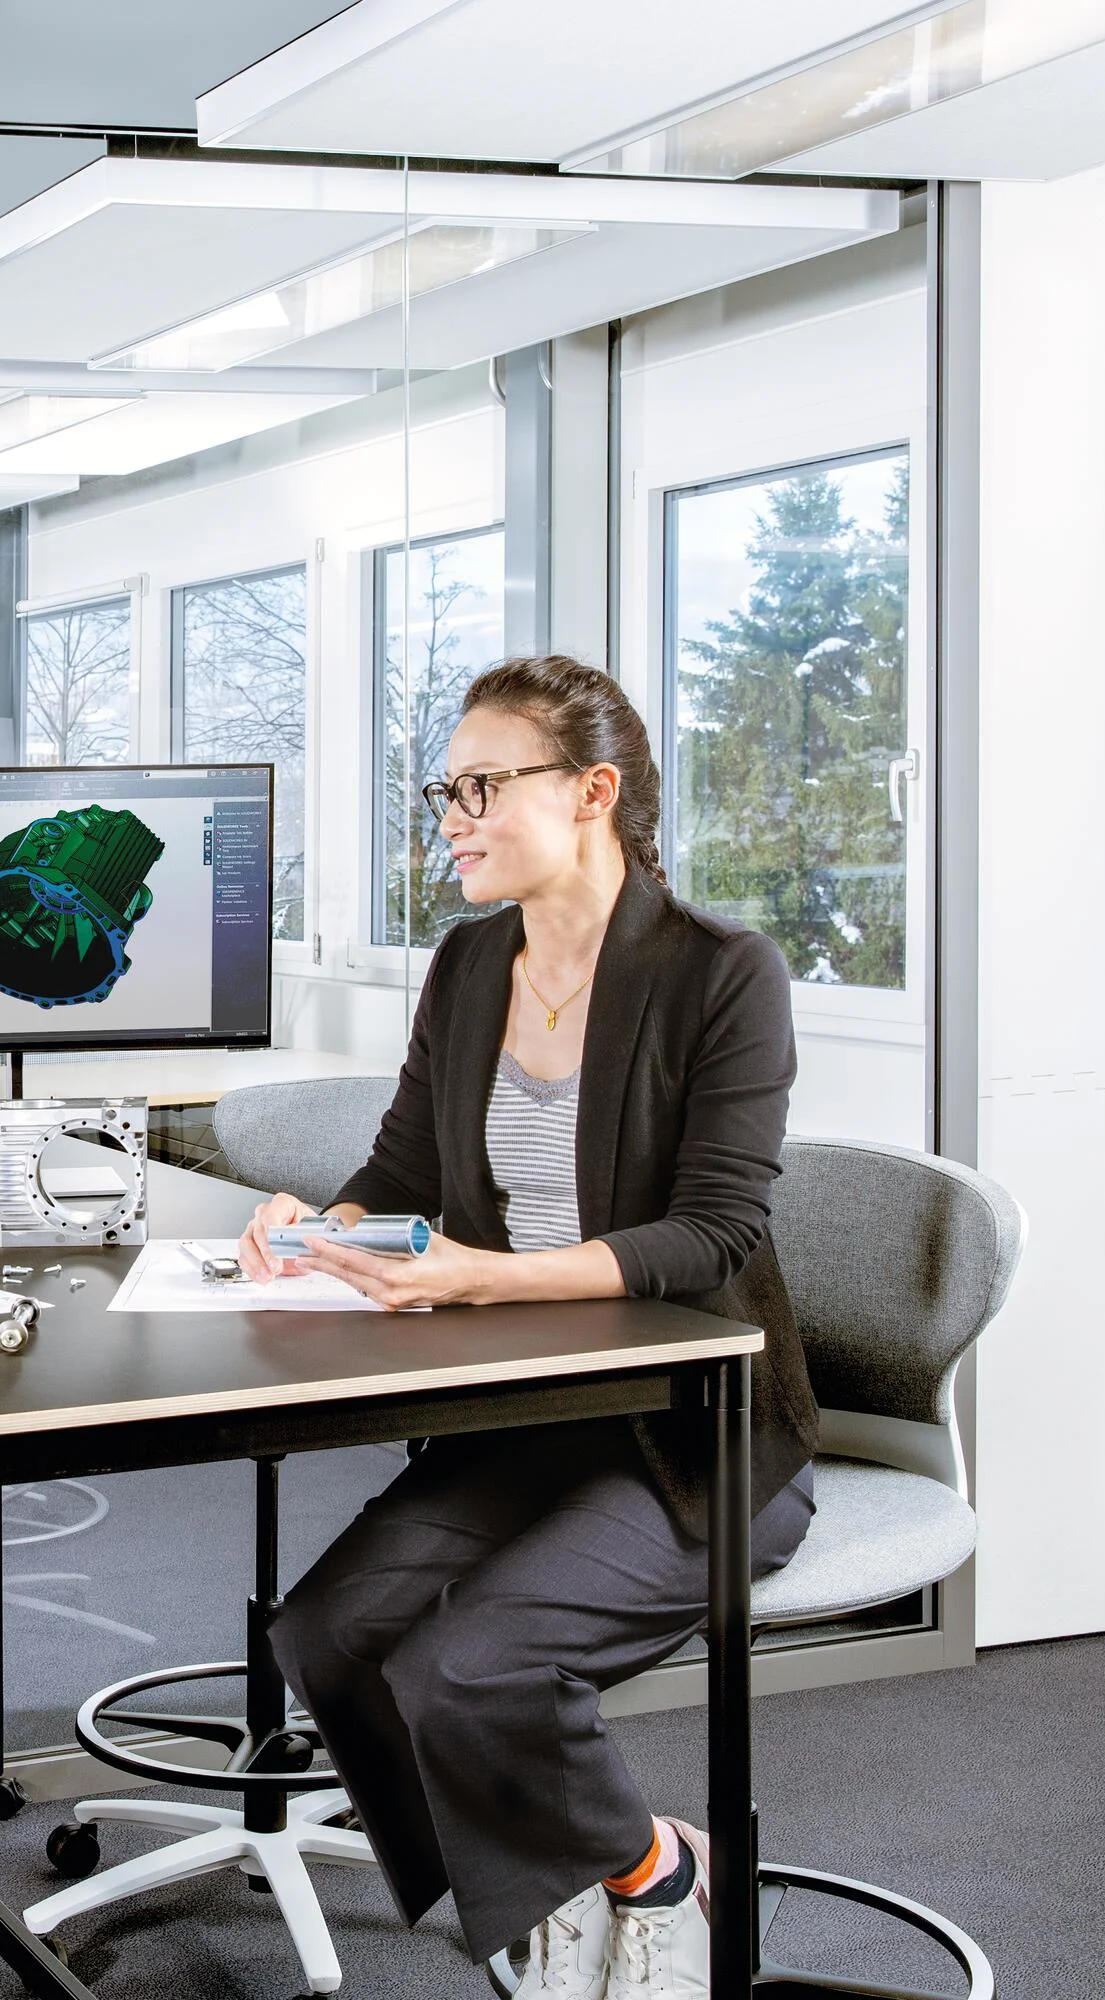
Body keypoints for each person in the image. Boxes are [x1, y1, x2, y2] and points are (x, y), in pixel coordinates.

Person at [238, 656, 818, 2000]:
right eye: (447, 789)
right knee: (328, 1637)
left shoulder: (722, 975)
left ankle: (649, 1883)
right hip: (531, 1426)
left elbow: (713, 1237)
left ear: (593, 793)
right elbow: (404, 1177)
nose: (452, 813)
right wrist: (318, 1220)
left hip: (694, 1438)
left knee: (474, 1662)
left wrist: (482, 1280)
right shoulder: (468, 962)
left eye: (484, 785)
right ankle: (600, 1873)